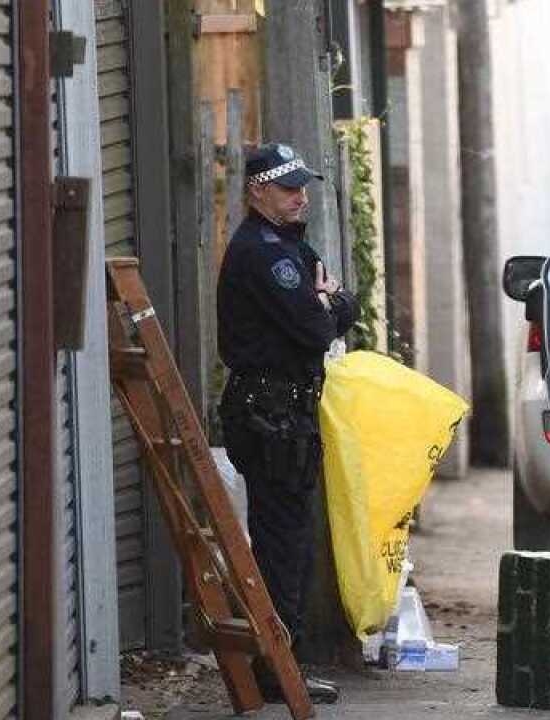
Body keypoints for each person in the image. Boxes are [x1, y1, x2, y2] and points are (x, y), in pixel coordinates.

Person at [217, 142, 358, 703]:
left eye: (303, 187)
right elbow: (318, 327)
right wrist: (326, 304)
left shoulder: (290, 246)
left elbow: (343, 305)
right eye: (288, 188)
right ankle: (280, 666)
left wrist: (330, 302)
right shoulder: (263, 253)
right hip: (268, 413)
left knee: (291, 540)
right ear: (257, 192)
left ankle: (281, 658)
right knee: (282, 543)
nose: (301, 197)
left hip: (286, 411)